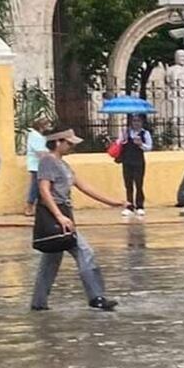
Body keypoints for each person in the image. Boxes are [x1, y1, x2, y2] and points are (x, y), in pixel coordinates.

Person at [31, 128, 131, 312]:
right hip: (57, 216)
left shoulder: (64, 165)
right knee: (85, 251)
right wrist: (59, 216)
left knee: (50, 262)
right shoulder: (47, 161)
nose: (71, 147)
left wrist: (114, 202)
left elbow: (84, 186)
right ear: (58, 142)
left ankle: (38, 303)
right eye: (69, 143)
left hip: (65, 215)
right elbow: (44, 190)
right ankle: (96, 297)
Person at [118, 115, 153, 217]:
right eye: (134, 121)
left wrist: (141, 144)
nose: (136, 123)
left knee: (139, 184)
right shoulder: (126, 132)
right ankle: (129, 206)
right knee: (128, 185)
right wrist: (123, 138)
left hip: (138, 162)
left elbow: (149, 147)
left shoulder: (145, 133)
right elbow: (120, 143)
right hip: (127, 161)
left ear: (142, 122)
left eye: (138, 121)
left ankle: (140, 206)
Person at [24, 116, 52, 217]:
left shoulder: (38, 136)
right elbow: (41, 152)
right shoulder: (35, 136)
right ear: (41, 126)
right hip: (37, 166)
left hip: (40, 165)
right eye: (47, 125)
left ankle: (40, 207)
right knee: (35, 187)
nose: (49, 127)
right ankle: (29, 207)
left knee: (40, 187)